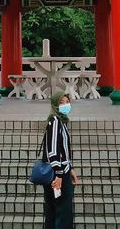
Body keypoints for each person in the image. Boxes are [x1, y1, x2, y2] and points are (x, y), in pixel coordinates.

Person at [42, 91, 79, 228]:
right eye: (61, 102)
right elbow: (52, 150)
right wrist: (58, 174)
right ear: (55, 105)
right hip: (57, 174)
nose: (65, 105)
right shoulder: (55, 121)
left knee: (55, 210)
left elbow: (63, 150)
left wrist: (71, 168)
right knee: (62, 211)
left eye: (67, 101)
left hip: (63, 171)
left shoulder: (61, 120)